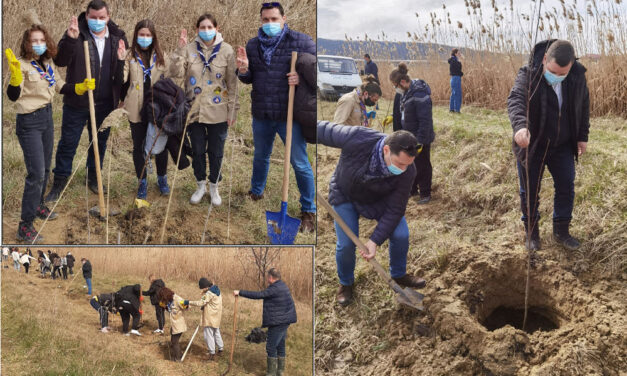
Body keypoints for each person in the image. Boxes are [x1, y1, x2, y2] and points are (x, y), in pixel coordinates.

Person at [317, 121, 427, 306]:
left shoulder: (408, 172)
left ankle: (399, 275)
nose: (403, 169)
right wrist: (299, 139)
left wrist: (374, 241)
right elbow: (322, 130)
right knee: (345, 245)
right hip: (346, 193)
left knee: (401, 234)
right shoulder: (357, 137)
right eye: (399, 163)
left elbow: (395, 209)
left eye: (407, 165)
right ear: (386, 150)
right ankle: (346, 284)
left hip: (379, 201)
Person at [5, 14, 91, 243]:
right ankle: (25, 226)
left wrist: (79, 88)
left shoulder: (48, 62)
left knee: (44, 171)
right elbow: (13, 96)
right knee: (35, 174)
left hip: (46, 119)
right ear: (27, 43)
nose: (38, 44)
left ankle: (39, 205)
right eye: (34, 40)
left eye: (41, 40)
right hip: (29, 122)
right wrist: (14, 79)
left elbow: (60, 85)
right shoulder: (21, 65)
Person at [236, 2, 316, 232]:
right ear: (260, 21)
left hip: (288, 114)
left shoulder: (301, 42)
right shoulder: (253, 45)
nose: (270, 24)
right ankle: (256, 192)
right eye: (265, 20)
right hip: (261, 111)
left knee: (299, 162)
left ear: (284, 19)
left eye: (274, 19)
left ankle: (308, 210)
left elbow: (315, 75)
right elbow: (249, 77)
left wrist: (300, 80)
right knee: (261, 155)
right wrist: (243, 70)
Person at [508, 39, 589, 252]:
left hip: (562, 144)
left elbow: (583, 105)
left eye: (563, 73)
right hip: (533, 144)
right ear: (545, 59)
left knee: (566, 185)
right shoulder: (529, 74)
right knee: (530, 190)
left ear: (571, 65)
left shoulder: (577, 76)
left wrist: (582, 136)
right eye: (554, 72)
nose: (558, 77)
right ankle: (532, 235)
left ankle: (561, 231)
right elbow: (516, 99)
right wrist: (520, 128)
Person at [44, 0, 128, 202]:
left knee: (99, 143)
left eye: (102, 18)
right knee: (68, 143)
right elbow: (60, 61)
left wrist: (122, 61)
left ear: (108, 17)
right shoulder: (77, 33)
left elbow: (119, 75)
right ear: (87, 16)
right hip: (77, 101)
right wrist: (70, 39)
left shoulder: (117, 37)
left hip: (106, 102)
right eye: (93, 17)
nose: (97, 21)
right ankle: (60, 182)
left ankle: (93, 177)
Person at [170, 14, 239, 206]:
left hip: (218, 111)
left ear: (217, 28)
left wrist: (232, 111)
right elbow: (175, 73)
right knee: (198, 150)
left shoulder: (227, 50)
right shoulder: (189, 49)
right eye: (202, 27)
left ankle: (214, 187)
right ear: (197, 29)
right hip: (195, 110)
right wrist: (179, 50)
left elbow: (233, 85)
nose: (206, 30)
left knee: (216, 152)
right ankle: (200, 184)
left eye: (210, 27)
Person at [121, 19, 171, 200]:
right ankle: (142, 181)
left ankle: (162, 179)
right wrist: (120, 60)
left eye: (148, 35)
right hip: (136, 108)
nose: (144, 38)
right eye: (141, 34)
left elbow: (173, 76)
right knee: (139, 146)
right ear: (136, 35)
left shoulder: (161, 55)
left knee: (161, 146)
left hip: (157, 108)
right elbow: (121, 79)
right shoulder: (129, 55)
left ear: (153, 37)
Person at [235, 268, 296, 376]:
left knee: (271, 347)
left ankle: (271, 373)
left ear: (271, 278)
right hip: (285, 321)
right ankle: (280, 371)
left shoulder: (274, 289)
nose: (267, 278)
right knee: (280, 345)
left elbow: (259, 295)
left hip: (278, 322)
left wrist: (240, 292)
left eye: (268, 277)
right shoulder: (282, 285)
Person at [389, 63, 435, 203]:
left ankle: (425, 193)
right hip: (410, 136)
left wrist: (420, 141)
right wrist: (395, 117)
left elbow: (425, 120)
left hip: (420, 137)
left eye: (395, 85)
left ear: (402, 82)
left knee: (423, 165)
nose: (395, 88)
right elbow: (406, 111)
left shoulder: (419, 93)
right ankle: (412, 190)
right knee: (410, 164)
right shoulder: (407, 92)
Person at [185, 278, 223, 361]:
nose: (202, 289)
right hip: (217, 316)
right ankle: (220, 349)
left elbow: (200, 302)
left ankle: (212, 354)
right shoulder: (216, 289)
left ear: (205, 287)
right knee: (216, 332)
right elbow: (209, 301)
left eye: (202, 288)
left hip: (210, 317)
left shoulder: (209, 294)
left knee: (208, 335)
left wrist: (189, 302)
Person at [157, 287, 188, 362]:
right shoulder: (169, 301)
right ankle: (179, 354)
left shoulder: (177, 299)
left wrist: (185, 304)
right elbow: (170, 310)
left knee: (174, 342)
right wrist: (164, 307)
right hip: (174, 324)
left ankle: (178, 359)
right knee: (173, 341)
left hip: (179, 324)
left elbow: (186, 305)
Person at [448, 48, 463, 113]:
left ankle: (452, 109)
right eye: (459, 53)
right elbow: (457, 70)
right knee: (458, 94)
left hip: (453, 78)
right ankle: (457, 110)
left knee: (453, 94)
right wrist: (461, 73)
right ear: (455, 53)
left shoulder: (453, 60)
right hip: (456, 78)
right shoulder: (455, 61)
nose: (460, 54)